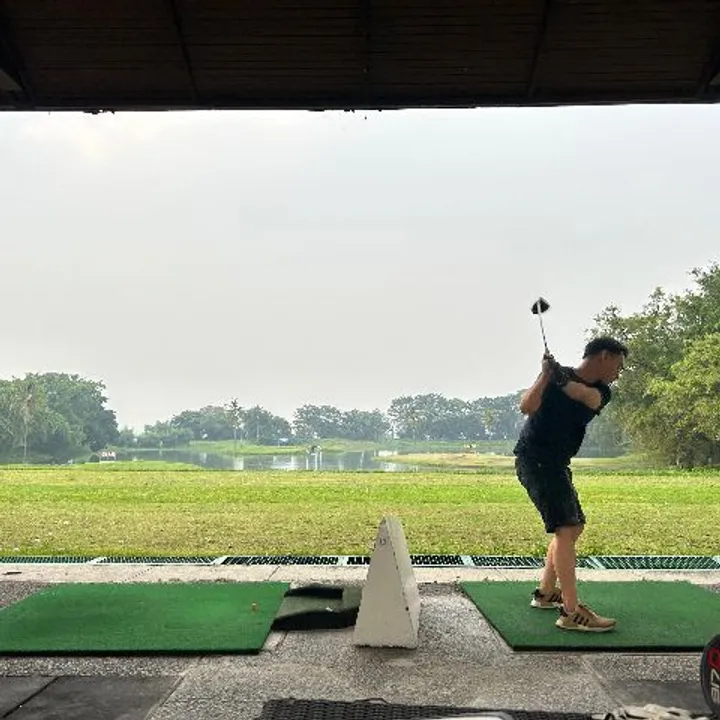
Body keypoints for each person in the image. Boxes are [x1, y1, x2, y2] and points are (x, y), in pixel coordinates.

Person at [513, 336, 628, 632]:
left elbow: (583, 395)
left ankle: (545, 593)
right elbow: (527, 406)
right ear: (604, 355)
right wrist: (545, 375)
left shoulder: (601, 391)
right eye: (618, 365)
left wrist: (559, 377)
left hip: (556, 463)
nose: (618, 373)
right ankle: (571, 612)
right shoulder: (554, 376)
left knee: (574, 527)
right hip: (535, 459)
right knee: (565, 528)